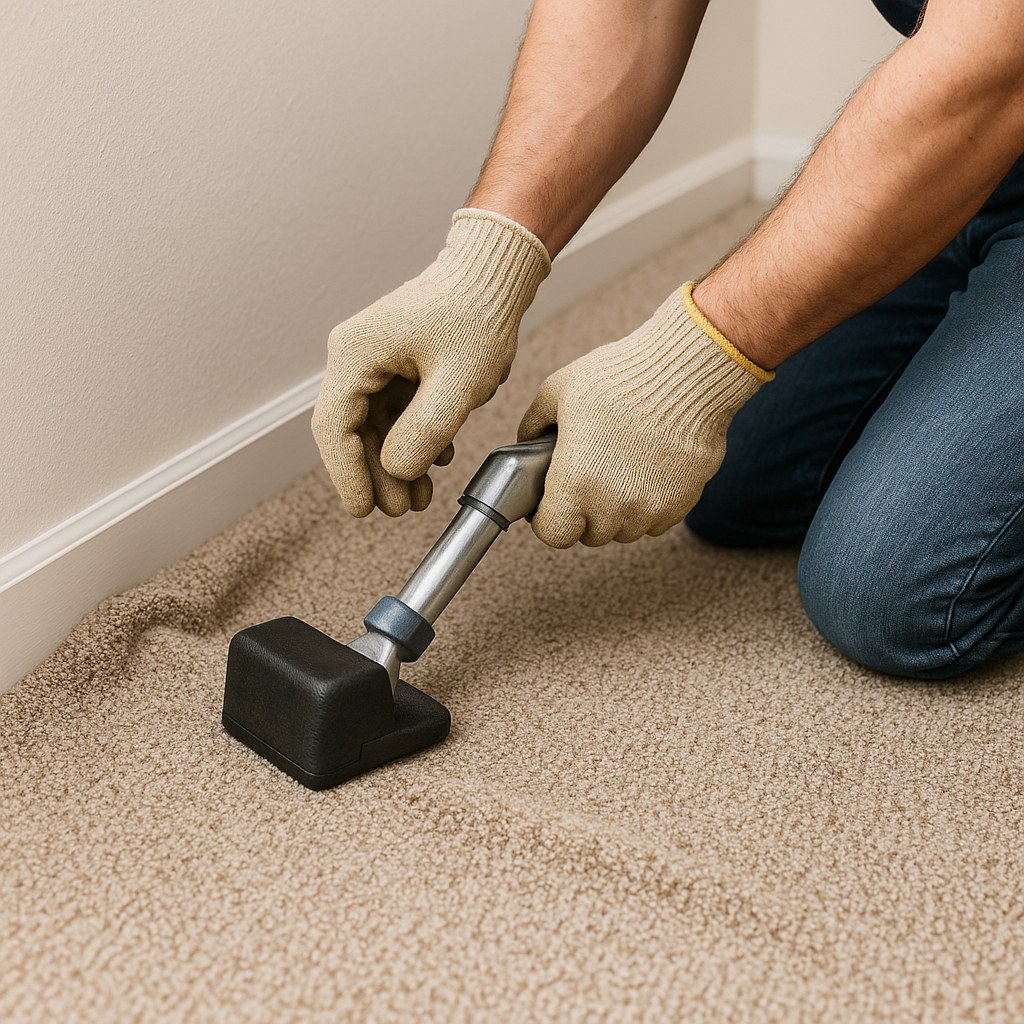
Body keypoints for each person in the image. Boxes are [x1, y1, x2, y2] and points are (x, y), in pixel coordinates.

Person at [312, 0, 1024, 681]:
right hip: (981, 159)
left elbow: (997, 58)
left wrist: (692, 367)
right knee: (739, 484)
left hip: (991, 96)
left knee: (889, 591)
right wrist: (482, 268)